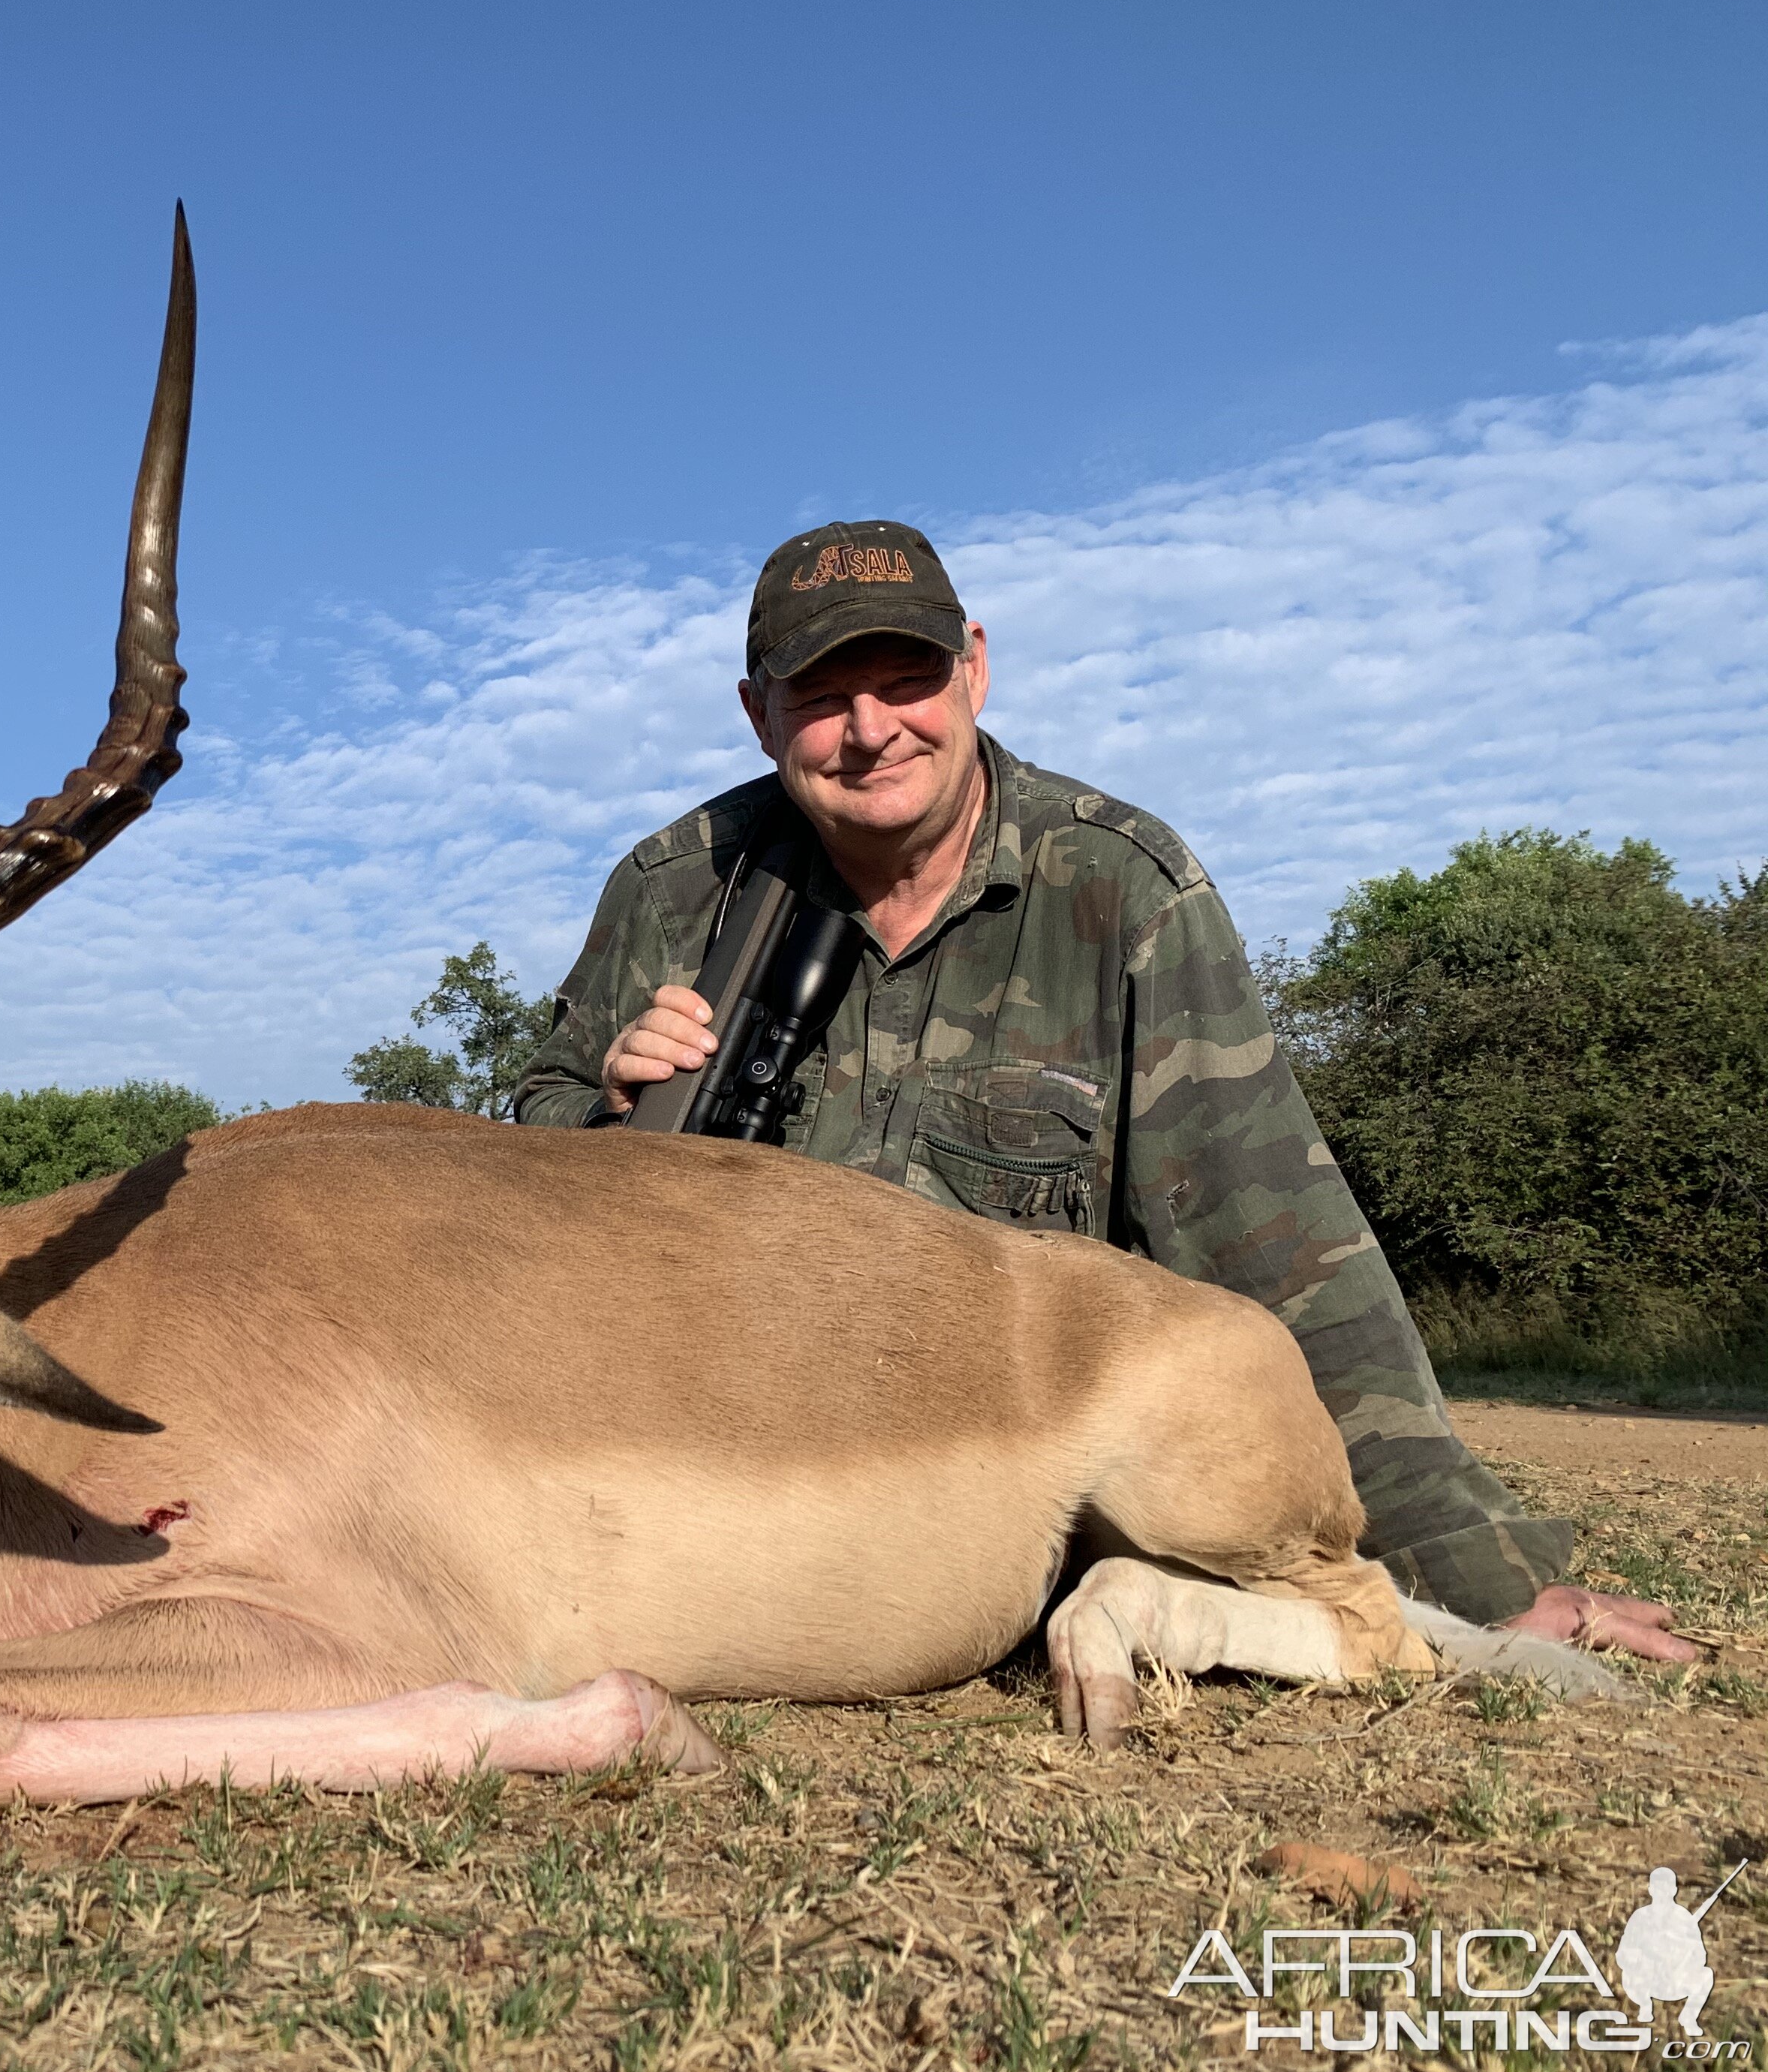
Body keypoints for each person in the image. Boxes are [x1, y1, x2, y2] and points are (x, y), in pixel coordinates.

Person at [514, 519, 1690, 1655]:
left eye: (907, 677)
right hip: (729, 1468)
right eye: (822, 695)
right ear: (756, 714)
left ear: (974, 669)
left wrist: (1476, 1573)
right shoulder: (673, 891)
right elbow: (523, 1166)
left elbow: (1284, 1255)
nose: (870, 730)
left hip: (1007, 1491)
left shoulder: (1128, 891)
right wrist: (606, 1121)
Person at [1616, 1868, 1716, 2036]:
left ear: (1674, 1890)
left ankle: (1689, 2017)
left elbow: (1700, 1955)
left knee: (1706, 1975)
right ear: (1651, 1890)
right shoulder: (1640, 1917)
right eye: (1658, 1888)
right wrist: (1643, 1955)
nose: (1662, 1893)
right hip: (1647, 1981)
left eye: (1667, 1889)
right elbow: (1623, 1954)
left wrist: (1680, 1954)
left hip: (1675, 1980)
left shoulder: (1684, 1918)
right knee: (1629, 1975)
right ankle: (1645, 2007)